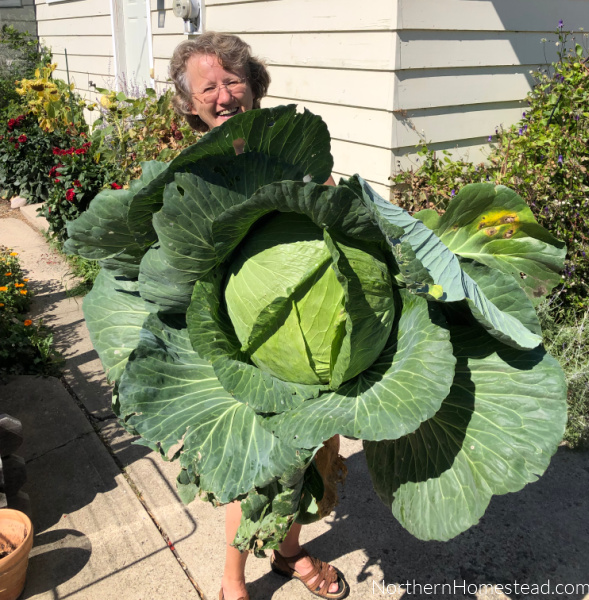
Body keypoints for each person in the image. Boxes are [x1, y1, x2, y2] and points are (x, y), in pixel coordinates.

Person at [168, 32, 348, 600]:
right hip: (241, 346)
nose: (223, 95)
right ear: (191, 106)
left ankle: (289, 553)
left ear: (253, 86)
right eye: (208, 87)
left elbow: (338, 219)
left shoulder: (292, 152)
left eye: (232, 80)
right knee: (251, 466)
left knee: (308, 457)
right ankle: (230, 581)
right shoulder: (189, 177)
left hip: (321, 342)